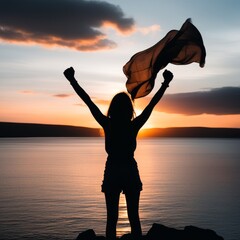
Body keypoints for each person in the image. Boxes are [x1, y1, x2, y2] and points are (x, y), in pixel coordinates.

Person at [63, 67, 173, 240]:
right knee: (133, 218)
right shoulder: (132, 125)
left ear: (113, 109)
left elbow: (88, 101)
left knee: (112, 220)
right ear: (129, 110)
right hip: (128, 170)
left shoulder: (108, 124)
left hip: (114, 171)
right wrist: (165, 83)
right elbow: (152, 105)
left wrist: (72, 80)